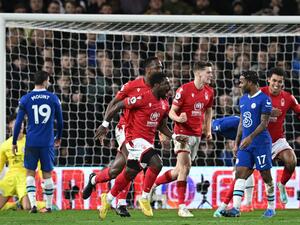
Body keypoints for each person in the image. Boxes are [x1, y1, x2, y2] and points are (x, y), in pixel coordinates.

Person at [96, 74, 187, 220]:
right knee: (157, 163)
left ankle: (107, 199)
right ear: (156, 86)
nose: (169, 88)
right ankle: (144, 197)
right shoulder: (142, 98)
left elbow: (162, 126)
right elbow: (118, 105)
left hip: (147, 141)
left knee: (130, 172)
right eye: (166, 84)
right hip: (133, 139)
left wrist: (175, 136)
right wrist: (105, 124)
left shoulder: (164, 103)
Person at [82, 57, 163, 217]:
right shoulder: (132, 86)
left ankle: (94, 179)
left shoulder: (159, 90)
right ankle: (121, 202)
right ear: (148, 70)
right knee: (132, 161)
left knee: (115, 171)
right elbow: (114, 103)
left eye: (161, 68)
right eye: (157, 68)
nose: (161, 71)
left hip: (143, 134)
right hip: (125, 130)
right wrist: (105, 125)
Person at [214, 68, 300, 217]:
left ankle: (281, 186)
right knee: (241, 173)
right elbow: (245, 118)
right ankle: (228, 207)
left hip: (274, 140)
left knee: (290, 161)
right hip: (253, 139)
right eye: (274, 80)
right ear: (268, 80)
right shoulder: (255, 94)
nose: (276, 84)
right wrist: (237, 141)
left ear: (283, 83)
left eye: (280, 82)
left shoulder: (288, 98)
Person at [151, 61, 214, 217]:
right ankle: (181, 207)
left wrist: (208, 130)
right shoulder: (184, 90)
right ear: (199, 73)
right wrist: (179, 119)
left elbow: (208, 111)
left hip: (197, 135)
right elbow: (172, 112)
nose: (211, 75)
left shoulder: (209, 92)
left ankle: (152, 185)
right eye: (208, 72)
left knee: (178, 171)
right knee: (185, 169)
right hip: (182, 134)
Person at [223, 71, 275, 218]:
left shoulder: (264, 99)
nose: (240, 85)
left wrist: (250, 137)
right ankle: (236, 209)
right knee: (240, 173)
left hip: (261, 144)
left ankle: (271, 207)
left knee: (266, 176)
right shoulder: (243, 99)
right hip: (246, 144)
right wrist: (237, 142)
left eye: (242, 82)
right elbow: (242, 122)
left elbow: (264, 124)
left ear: (251, 82)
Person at [12, 71, 63, 213]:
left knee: (30, 173)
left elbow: (18, 122)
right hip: (47, 142)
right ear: (46, 81)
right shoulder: (53, 98)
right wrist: (59, 136)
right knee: (47, 174)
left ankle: (33, 205)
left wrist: (14, 141)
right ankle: (47, 206)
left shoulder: (25, 99)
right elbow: (60, 121)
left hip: (31, 142)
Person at [0, 117, 47, 211]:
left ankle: (42, 205)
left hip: (24, 178)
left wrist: (43, 177)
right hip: (10, 179)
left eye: (22, 123)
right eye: (16, 122)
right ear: (10, 125)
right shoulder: (5, 145)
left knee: (27, 207)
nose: (20, 124)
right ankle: (14, 205)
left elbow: (39, 161)